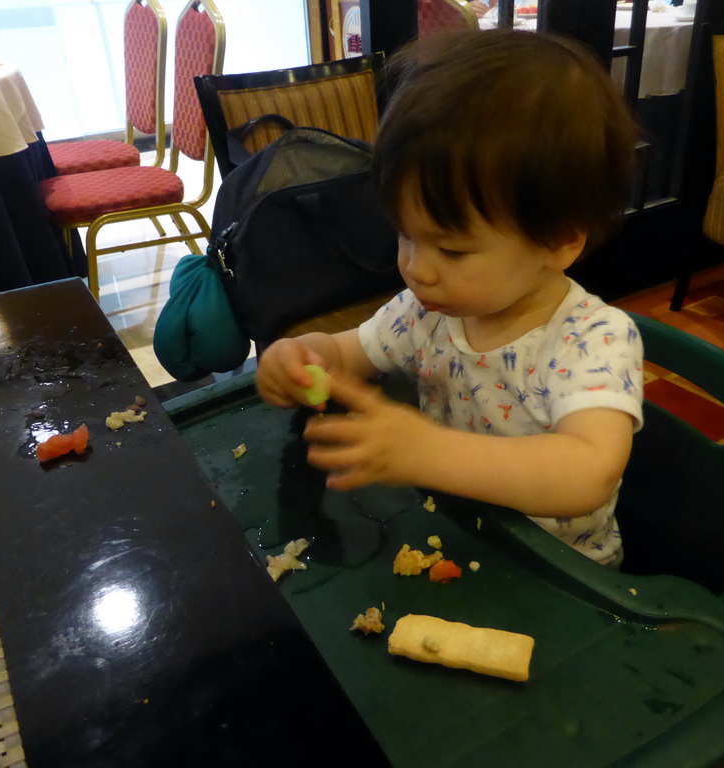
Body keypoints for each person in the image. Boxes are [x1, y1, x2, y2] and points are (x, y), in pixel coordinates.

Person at [256, 30, 643, 568]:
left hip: (562, 579)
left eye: (452, 249)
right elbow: (351, 355)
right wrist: (303, 358)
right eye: (405, 235)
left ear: (559, 241)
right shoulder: (427, 312)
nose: (416, 268)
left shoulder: (592, 339)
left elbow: (587, 473)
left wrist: (428, 452)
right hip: (453, 536)